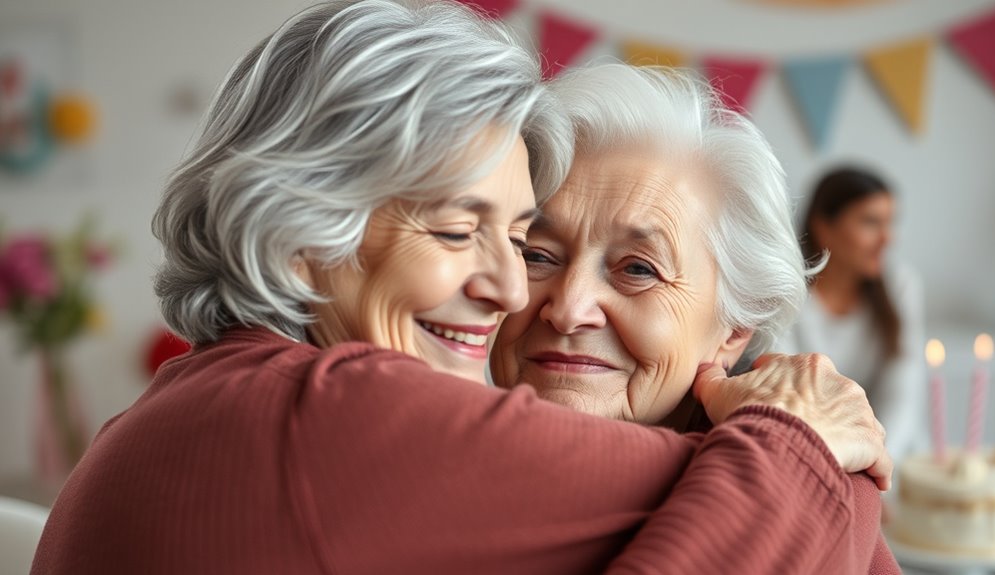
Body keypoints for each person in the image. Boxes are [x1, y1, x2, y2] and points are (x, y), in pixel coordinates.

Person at [32, 2, 891, 574]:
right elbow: (820, 495)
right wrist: (799, 435)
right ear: (301, 242)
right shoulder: (329, 414)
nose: (521, 289)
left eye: (518, 238)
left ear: (733, 330)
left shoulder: (218, 399)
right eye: (455, 230)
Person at [489, 63, 898, 572]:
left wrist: (792, 453)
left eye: (638, 268)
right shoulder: (429, 453)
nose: (569, 309)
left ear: (733, 329)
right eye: (537, 255)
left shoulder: (828, 491)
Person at [775, 166, 926, 463]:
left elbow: (902, 394)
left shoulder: (901, 287)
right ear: (823, 227)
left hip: (891, 457)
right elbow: (788, 395)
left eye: (890, 222)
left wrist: (877, 461)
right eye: (871, 222)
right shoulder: (784, 293)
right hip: (812, 455)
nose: (888, 238)